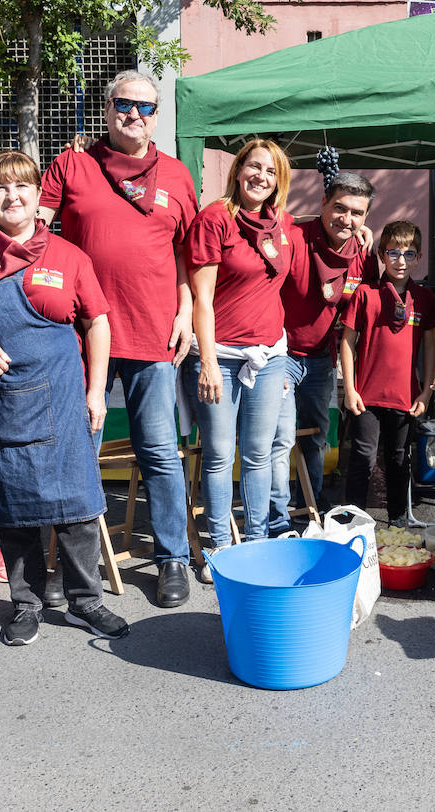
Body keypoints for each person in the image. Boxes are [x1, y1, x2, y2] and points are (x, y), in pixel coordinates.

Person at [0, 70, 198, 609]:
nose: (135, 115)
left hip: (153, 334)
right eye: (124, 104)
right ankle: (62, 567)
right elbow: (24, 215)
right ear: (107, 107)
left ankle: (172, 558)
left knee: (160, 453)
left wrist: (187, 311)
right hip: (80, 338)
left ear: (156, 114)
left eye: (146, 107)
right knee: (69, 459)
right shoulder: (73, 164)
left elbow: (186, 256)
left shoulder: (176, 175)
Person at [0, 151, 129, 647]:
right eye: (0, 190)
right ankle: (26, 604)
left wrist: (96, 391)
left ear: (38, 196)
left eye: (22, 189)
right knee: (11, 510)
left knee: (77, 506)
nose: (12, 198)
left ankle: (85, 602)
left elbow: (97, 322)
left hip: (61, 399)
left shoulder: (70, 256)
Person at [185, 138, 293, 580]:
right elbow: (201, 299)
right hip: (222, 357)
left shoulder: (281, 223)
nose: (261, 177)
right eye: (254, 167)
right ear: (238, 170)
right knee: (217, 454)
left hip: (269, 356)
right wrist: (207, 361)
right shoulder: (214, 219)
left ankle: (256, 542)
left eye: (270, 172)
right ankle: (220, 547)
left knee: (258, 454)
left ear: (278, 181)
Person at [268, 171, 377, 533]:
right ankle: (277, 517)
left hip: (320, 358)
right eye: (339, 208)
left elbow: (366, 305)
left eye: (357, 213)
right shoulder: (295, 238)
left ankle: (310, 501)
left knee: (315, 437)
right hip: (280, 354)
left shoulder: (361, 251)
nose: (347, 219)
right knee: (281, 438)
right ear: (323, 205)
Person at [339, 221, 435, 525]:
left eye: (409, 254)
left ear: (418, 257)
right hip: (366, 396)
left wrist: (426, 392)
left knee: (399, 459)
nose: (401, 261)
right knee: (362, 459)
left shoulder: (423, 298)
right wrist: (349, 389)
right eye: (394, 253)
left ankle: (398, 518)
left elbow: (431, 346)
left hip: (406, 395)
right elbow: (347, 342)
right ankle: (352, 520)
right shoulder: (365, 294)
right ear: (382, 254)